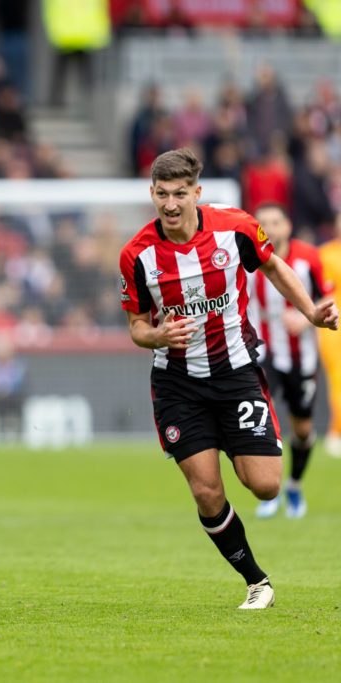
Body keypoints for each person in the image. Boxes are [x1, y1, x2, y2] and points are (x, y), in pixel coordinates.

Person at [118, 148, 338, 610]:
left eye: (180, 193)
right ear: (152, 194)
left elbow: (274, 265)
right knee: (205, 490)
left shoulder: (235, 227)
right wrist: (156, 334)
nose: (171, 204)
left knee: (263, 485)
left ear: (197, 192)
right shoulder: (137, 255)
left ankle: (253, 461)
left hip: (236, 373)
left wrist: (311, 312)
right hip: (178, 384)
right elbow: (137, 325)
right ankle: (257, 581)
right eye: (162, 194)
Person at [246, 203, 332, 519]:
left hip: (301, 357)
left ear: (288, 226)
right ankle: (270, 490)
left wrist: (306, 319)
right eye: (263, 222)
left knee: (303, 429)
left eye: (275, 221)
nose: (268, 227)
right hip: (263, 352)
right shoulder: (247, 258)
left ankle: (294, 485)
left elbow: (328, 296)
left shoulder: (308, 257)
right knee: (260, 419)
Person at [317, 212, 341, 457]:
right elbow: (324, 292)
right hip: (335, 324)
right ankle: (337, 430)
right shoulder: (326, 254)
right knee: (338, 378)